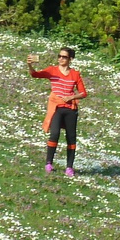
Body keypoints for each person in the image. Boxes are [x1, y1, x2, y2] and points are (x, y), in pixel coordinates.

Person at [28, 47, 88, 175]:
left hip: (70, 109)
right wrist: (30, 65)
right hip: (56, 108)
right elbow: (35, 75)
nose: (60, 58)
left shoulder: (75, 74)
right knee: (54, 134)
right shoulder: (52, 70)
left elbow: (83, 93)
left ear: (70, 59)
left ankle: (69, 167)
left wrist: (72, 97)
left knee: (71, 137)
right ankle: (49, 163)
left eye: (64, 57)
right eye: (59, 56)